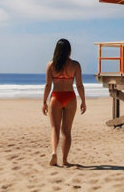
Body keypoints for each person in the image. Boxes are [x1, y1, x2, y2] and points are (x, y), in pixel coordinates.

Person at [42, 38, 87, 167]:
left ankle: (53, 152)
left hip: (56, 97)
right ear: (69, 50)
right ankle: (65, 161)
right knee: (66, 131)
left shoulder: (50, 65)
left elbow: (47, 85)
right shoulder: (75, 65)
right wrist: (83, 101)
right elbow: (79, 85)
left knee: (54, 129)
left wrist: (44, 102)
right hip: (70, 97)